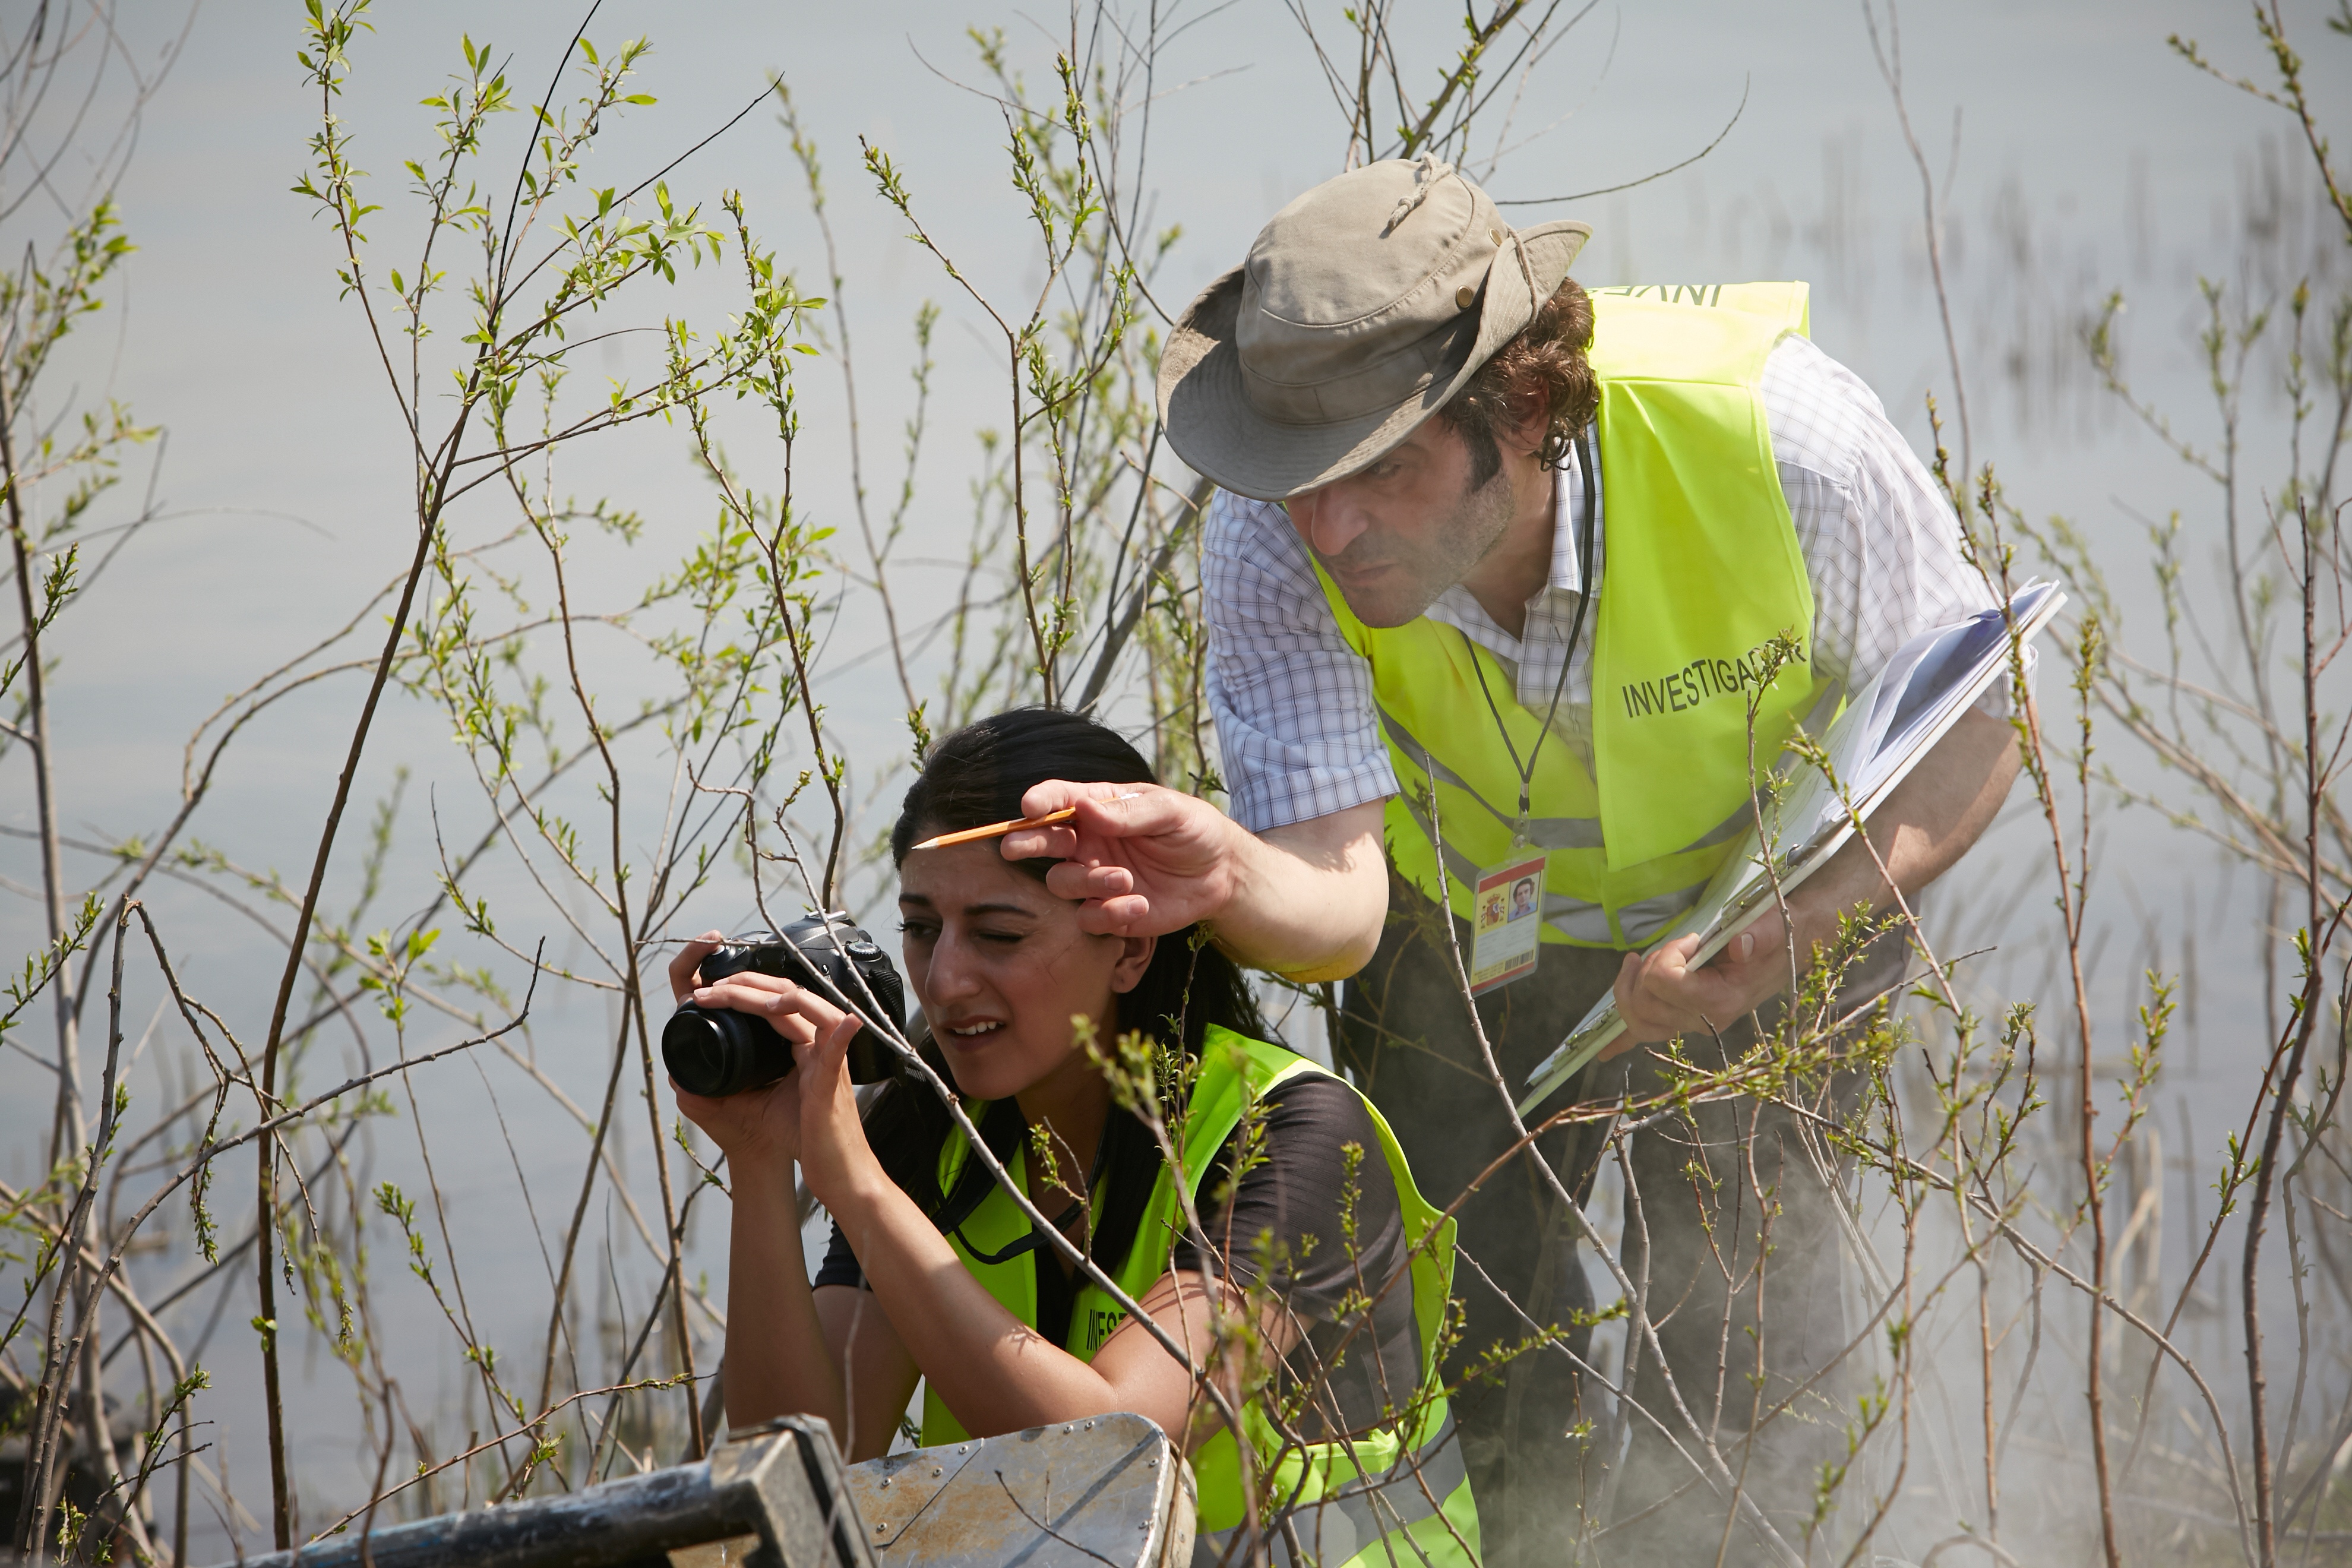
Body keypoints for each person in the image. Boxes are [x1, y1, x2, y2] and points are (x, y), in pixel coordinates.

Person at [1003, 156, 2023, 1563]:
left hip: (1772, 900)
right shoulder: (1274, 520)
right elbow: (1339, 895)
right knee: (1477, 1330)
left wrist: (1798, 926)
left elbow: (1973, 730)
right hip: (1460, 923)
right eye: (1305, 482)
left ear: (1525, 410)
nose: (1330, 527)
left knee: (1734, 1332)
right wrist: (1224, 874)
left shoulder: (1783, 440)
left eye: (1386, 472)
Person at [672, 707, 1478, 1567]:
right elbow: (803, 1465)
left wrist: (857, 1187)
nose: (943, 981)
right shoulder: (931, 1128)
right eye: (920, 928)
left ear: (1128, 947)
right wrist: (762, 1160)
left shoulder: (1288, 1134)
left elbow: (1111, 1455)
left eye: (999, 934)